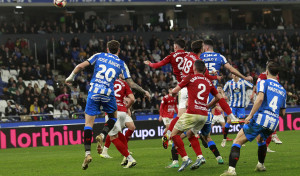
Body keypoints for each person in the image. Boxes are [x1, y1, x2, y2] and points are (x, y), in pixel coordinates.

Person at [65, 40, 150, 170]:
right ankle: (103, 135)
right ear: (119, 50)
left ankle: (87, 153)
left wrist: (71, 77)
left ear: (107, 48)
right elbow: (131, 84)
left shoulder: (99, 55)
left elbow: (80, 66)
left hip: (94, 92)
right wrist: (144, 91)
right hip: (108, 94)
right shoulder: (121, 63)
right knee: (113, 117)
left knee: (88, 124)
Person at [220, 61, 286, 176]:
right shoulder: (283, 90)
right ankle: (260, 165)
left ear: (266, 72)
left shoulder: (263, 82)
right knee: (261, 139)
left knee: (237, 141)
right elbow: (283, 112)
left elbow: (259, 99)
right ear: (278, 73)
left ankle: (231, 171)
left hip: (261, 117)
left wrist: (250, 116)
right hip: (274, 122)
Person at [198, 39, 252, 158]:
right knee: (215, 104)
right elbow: (231, 70)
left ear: (206, 47)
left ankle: (200, 135)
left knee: (196, 115)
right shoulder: (219, 56)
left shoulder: (199, 56)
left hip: (199, 89)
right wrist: (244, 77)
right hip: (212, 90)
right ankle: (204, 134)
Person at [170, 60, 224, 172]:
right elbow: (219, 97)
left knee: (174, 135)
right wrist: (208, 106)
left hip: (192, 113)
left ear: (194, 68)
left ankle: (185, 159)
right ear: (204, 69)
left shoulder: (190, 77)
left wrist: (173, 94)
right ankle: (200, 157)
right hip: (204, 115)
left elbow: (175, 91)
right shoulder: (208, 82)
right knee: (190, 134)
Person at [99, 75, 136, 161]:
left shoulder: (108, 82)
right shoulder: (123, 84)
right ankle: (108, 151)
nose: (123, 75)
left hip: (116, 110)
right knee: (115, 132)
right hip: (122, 111)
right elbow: (131, 98)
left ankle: (127, 155)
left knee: (115, 132)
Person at [251, 66, 283, 152]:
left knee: (270, 119)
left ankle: (268, 143)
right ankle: (272, 135)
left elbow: (276, 88)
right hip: (261, 97)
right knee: (266, 119)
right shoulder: (262, 76)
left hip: (269, 99)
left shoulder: (275, 77)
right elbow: (258, 88)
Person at [222, 74, 253, 147]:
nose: (235, 75)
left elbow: (252, 86)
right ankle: (224, 139)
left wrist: (251, 80)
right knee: (229, 121)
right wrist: (223, 95)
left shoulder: (243, 82)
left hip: (241, 106)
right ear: (231, 75)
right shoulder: (229, 83)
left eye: (236, 74)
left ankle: (240, 139)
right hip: (232, 105)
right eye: (233, 74)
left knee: (242, 123)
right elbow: (223, 90)